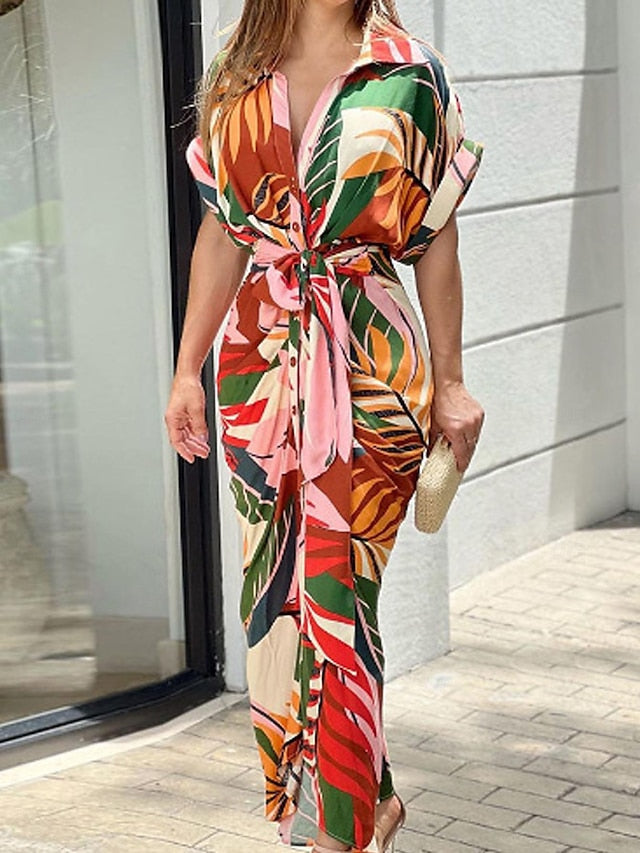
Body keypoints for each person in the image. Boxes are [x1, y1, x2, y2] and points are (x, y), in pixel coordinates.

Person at [165, 1, 485, 850]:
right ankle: (370, 798)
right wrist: (187, 368)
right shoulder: (236, 70)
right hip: (260, 366)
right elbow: (224, 233)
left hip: (370, 361)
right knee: (279, 598)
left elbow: (436, 235)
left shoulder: (410, 73)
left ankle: (336, 833)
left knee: (339, 595)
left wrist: (452, 382)